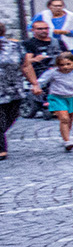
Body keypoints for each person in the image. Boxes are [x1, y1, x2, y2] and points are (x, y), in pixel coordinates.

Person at [0, 23, 39, 159]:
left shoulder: (15, 46)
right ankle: (1, 148)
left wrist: (34, 84)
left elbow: (26, 66)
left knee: (11, 116)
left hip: (13, 90)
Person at [35, 52, 73, 151]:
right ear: (57, 65)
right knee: (64, 118)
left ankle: (65, 135)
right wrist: (36, 87)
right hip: (57, 97)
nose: (65, 67)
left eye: (68, 64)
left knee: (70, 118)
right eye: (62, 65)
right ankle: (67, 141)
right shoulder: (53, 72)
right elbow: (41, 81)